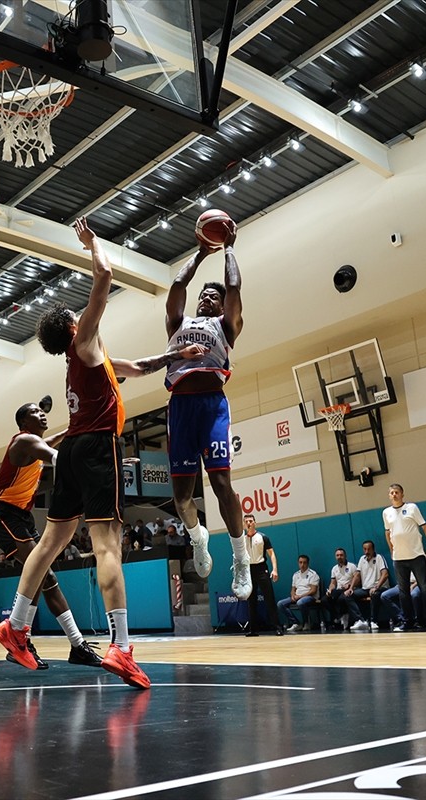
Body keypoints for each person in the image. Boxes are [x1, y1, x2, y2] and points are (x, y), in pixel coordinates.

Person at [0, 216, 207, 690]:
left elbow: (137, 366)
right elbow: (105, 279)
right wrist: (94, 244)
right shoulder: (83, 340)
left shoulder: (92, 361)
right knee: (108, 545)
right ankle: (122, 647)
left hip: (70, 450)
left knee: (50, 543)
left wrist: (178, 356)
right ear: (72, 326)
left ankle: (16, 625)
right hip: (93, 447)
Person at [164, 224, 252, 601]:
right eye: (204, 295)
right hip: (180, 406)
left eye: (212, 297)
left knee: (220, 485)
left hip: (212, 405)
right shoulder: (178, 323)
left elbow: (234, 289)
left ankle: (240, 556)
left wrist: (229, 249)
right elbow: (177, 289)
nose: (206, 299)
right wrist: (200, 253)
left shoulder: (224, 325)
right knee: (181, 495)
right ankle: (199, 537)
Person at [0, 402, 101, 667]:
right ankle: (20, 638)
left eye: (42, 410)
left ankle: (77, 646)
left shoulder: (32, 443)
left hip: (20, 516)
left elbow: (51, 441)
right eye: (35, 412)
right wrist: (102, 466)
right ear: (24, 423)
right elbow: (58, 457)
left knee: (47, 578)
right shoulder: (24, 442)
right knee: (41, 573)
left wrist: (71, 430)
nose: (42, 413)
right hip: (1, 513)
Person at [382, 484, 426, 631]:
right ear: (389, 496)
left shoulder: (412, 508)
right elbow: (387, 532)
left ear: (402, 494)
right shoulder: (386, 512)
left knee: (425, 588)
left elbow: (425, 526)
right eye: (391, 493)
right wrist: (391, 548)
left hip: (416, 555)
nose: (394, 495)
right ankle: (407, 622)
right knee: (403, 592)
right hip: (399, 559)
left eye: (397, 492)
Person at [242, 513, 281, 636]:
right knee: (251, 601)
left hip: (261, 569)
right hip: (249, 570)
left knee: (269, 598)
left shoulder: (263, 537)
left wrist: (274, 569)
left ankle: (277, 627)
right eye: (246, 521)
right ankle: (253, 630)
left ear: (255, 522)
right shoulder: (242, 540)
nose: (248, 523)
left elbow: (272, 554)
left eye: (251, 521)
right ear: (244, 524)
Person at [351, 540, 389, 630]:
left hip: (380, 587)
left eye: (369, 549)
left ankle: (373, 621)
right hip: (365, 588)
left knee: (374, 594)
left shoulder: (379, 557)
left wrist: (376, 586)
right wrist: (351, 588)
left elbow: (385, 574)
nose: (367, 551)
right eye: (365, 549)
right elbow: (357, 575)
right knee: (348, 595)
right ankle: (360, 621)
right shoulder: (362, 559)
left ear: (373, 549)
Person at [277, 555, 319, 632]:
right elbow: (293, 589)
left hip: (309, 597)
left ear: (308, 563)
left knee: (300, 602)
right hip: (297, 596)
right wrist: (293, 595)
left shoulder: (313, 574)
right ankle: (296, 623)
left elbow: (313, 591)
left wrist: (300, 596)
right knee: (280, 604)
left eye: (304, 563)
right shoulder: (296, 575)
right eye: (300, 562)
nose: (302, 565)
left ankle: (306, 623)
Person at [323, 547, 361, 631]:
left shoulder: (352, 566)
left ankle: (343, 617)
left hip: (349, 589)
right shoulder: (334, 569)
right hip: (338, 590)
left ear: (345, 556)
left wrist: (349, 585)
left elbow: (358, 580)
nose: (339, 557)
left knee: (341, 598)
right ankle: (339, 616)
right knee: (325, 599)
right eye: (337, 555)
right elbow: (333, 583)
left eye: (341, 555)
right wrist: (329, 590)